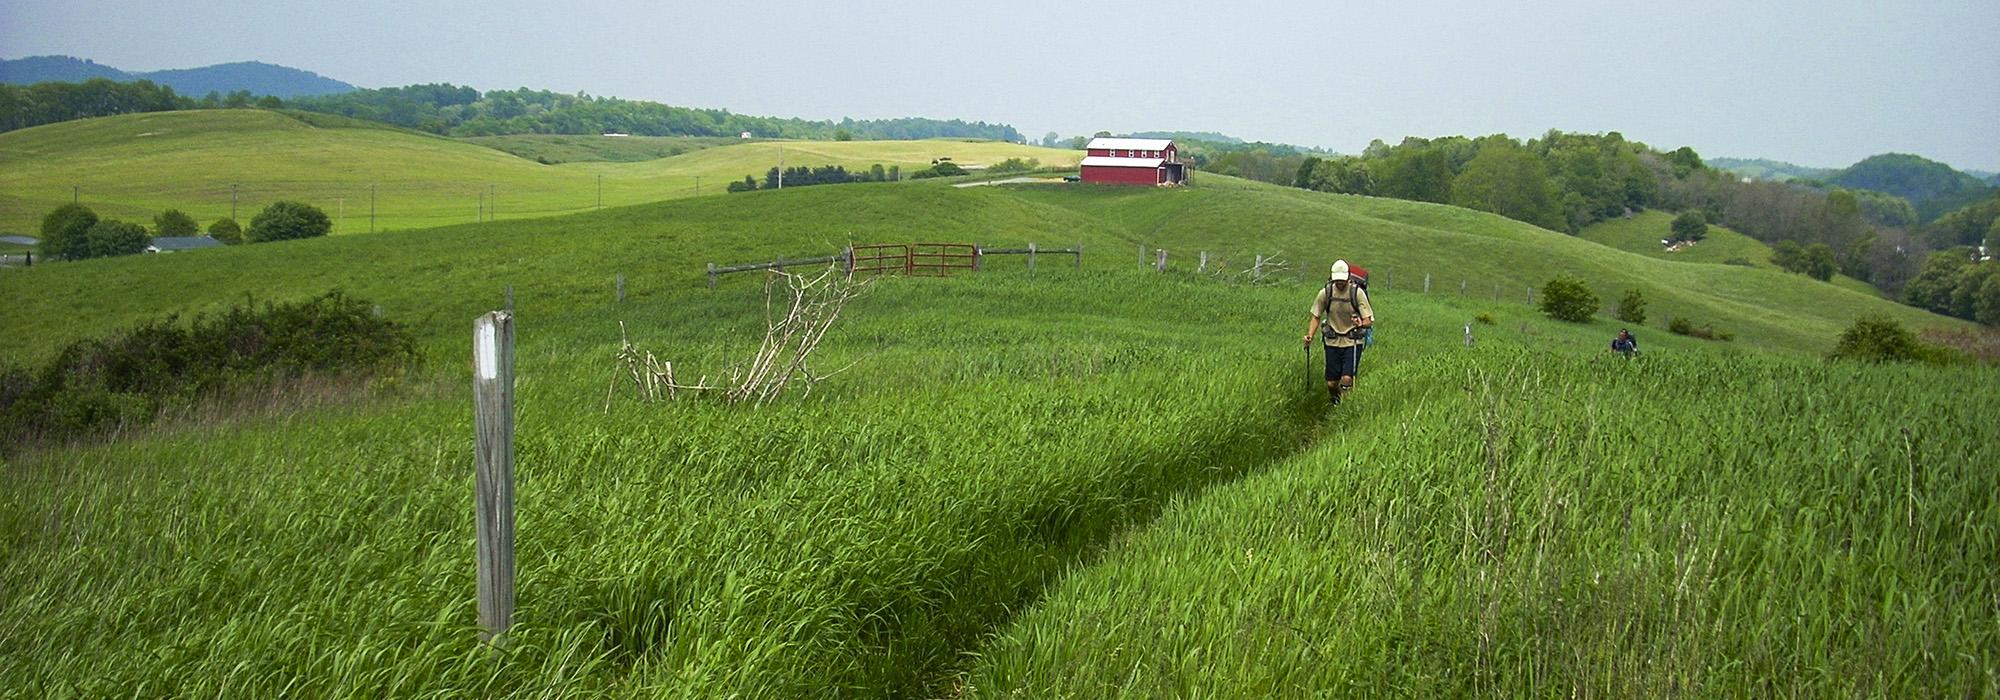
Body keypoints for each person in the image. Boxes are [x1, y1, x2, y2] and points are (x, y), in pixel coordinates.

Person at [1302, 260, 1374, 404]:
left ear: (1347, 278)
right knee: (1331, 383)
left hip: (1353, 341)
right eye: (1337, 280)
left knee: (1347, 379)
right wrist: (1310, 335)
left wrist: (1360, 323)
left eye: (1342, 280)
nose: (1340, 283)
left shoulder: (1357, 293)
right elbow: (1316, 316)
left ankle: (1345, 407)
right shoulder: (1326, 293)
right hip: (1332, 340)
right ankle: (1335, 400)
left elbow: (1369, 320)